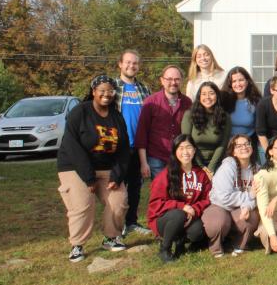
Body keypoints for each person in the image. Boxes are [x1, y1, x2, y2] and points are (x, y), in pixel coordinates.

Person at [57, 76, 130, 262]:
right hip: (75, 167)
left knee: (119, 201)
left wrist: (117, 174)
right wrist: (88, 177)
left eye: (110, 91)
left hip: (107, 168)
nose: (107, 95)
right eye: (102, 90)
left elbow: (123, 149)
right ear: (93, 91)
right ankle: (77, 245)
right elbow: (71, 145)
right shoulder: (80, 112)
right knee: (83, 204)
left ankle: (111, 237)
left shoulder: (116, 116)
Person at [147, 135, 212, 262]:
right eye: (181, 148)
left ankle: (180, 242)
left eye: (189, 147)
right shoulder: (166, 174)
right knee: (178, 215)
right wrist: (182, 207)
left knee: (197, 232)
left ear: (194, 150)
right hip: (166, 220)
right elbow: (155, 203)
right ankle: (164, 249)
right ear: (175, 151)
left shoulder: (201, 174)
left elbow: (208, 198)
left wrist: (194, 209)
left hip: (191, 216)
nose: (185, 152)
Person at [203, 135, 260, 257]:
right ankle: (216, 247)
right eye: (239, 146)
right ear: (233, 151)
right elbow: (224, 197)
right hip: (219, 205)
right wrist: (248, 196)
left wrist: (248, 206)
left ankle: (239, 245)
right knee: (218, 222)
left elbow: (258, 196)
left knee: (251, 217)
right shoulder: (227, 167)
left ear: (252, 147)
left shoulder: (257, 169)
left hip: (239, 208)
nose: (244, 147)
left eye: (247, 144)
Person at [115, 49, 152, 236]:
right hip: (119, 147)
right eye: (128, 62)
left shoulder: (143, 89)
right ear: (120, 64)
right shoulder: (113, 87)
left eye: (135, 63)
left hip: (139, 147)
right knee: (118, 188)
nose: (131, 66)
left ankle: (131, 222)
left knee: (136, 187)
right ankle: (117, 225)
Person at [136, 65, 192, 183]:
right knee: (161, 191)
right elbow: (142, 134)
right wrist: (143, 163)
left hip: (180, 156)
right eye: (169, 79)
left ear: (181, 80)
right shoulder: (150, 102)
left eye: (177, 79)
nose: (173, 82)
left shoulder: (187, 103)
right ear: (162, 80)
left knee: (179, 191)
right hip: (156, 157)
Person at [181, 82, 231, 175]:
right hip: (192, 161)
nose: (207, 97)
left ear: (217, 96)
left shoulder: (225, 116)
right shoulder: (189, 115)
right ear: (199, 97)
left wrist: (211, 168)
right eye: (203, 94)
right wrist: (202, 167)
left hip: (216, 162)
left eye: (211, 93)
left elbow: (222, 145)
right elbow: (187, 143)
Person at [220, 66, 261, 144]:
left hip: (249, 142)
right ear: (230, 84)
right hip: (227, 144)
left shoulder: (256, 101)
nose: (238, 84)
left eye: (241, 80)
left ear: (247, 81)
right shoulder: (223, 101)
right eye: (234, 81)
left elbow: (259, 128)